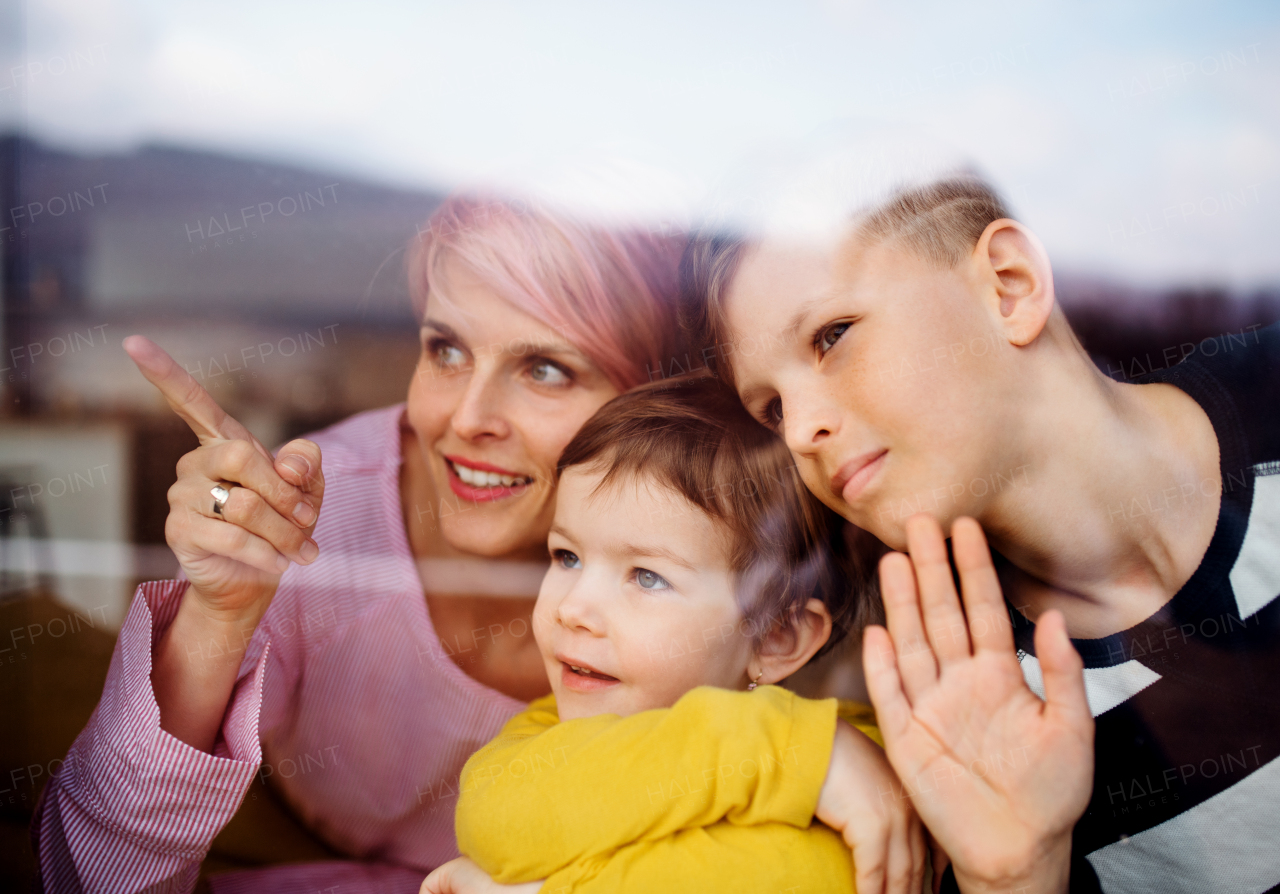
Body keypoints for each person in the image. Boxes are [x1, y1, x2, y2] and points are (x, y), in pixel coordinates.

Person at [32, 195, 691, 893]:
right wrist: (218, 614)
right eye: (447, 350)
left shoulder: (709, 562)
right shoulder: (313, 515)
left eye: (546, 369)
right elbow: (89, 875)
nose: (465, 419)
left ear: (659, 402)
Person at [682, 155, 1280, 893]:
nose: (799, 431)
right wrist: (1016, 876)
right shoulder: (960, 708)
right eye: (772, 410)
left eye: (832, 336)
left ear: (1008, 286)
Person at [426, 374, 923, 893]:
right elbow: (496, 820)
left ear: (777, 637)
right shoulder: (555, 728)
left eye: (647, 576)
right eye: (566, 556)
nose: (573, 608)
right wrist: (779, 751)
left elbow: (783, 877)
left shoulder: (862, 758)